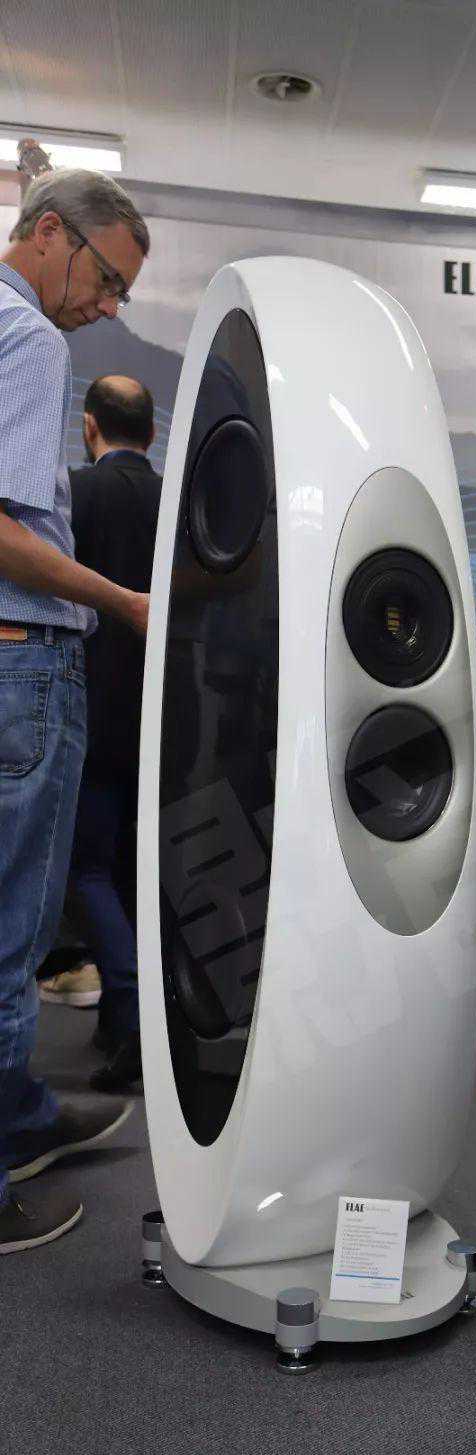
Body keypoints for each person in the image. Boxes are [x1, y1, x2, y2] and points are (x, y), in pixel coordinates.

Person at [0, 169, 150, 1255]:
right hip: (27, 664)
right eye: (106, 279)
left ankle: (24, 1115)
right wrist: (124, 603)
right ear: (50, 232)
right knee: (15, 934)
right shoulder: (30, 341)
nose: (107, 306)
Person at [69, 376, 162, 1093]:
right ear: (152, 434)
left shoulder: (74, 494)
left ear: (89, 427)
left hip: (90, 709)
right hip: (164, 716)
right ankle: (135, 1021)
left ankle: (129, 1014)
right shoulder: (178, 500)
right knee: (140, 873)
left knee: (88, 871)